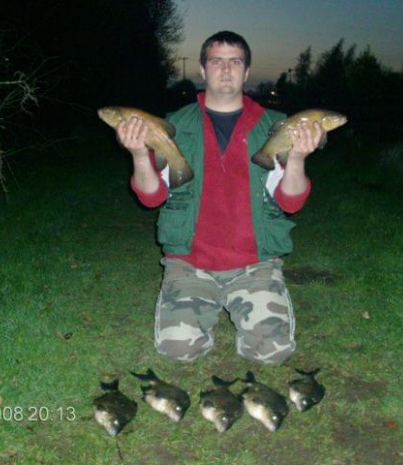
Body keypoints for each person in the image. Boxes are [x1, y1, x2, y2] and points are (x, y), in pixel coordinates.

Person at [115, 31, 324, 365]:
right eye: (216, 61)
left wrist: (297, 158)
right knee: (178, 352)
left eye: (235, 62)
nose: (226, 70)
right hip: (191, 263)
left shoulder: (275, 126)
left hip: (254, 263)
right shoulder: (175, 125)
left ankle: (252, 320)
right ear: (202, 69)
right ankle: (202, 311)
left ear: (245, 71)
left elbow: (291, 202)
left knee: (271, 355)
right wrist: (140, 154)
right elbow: (151, 197)